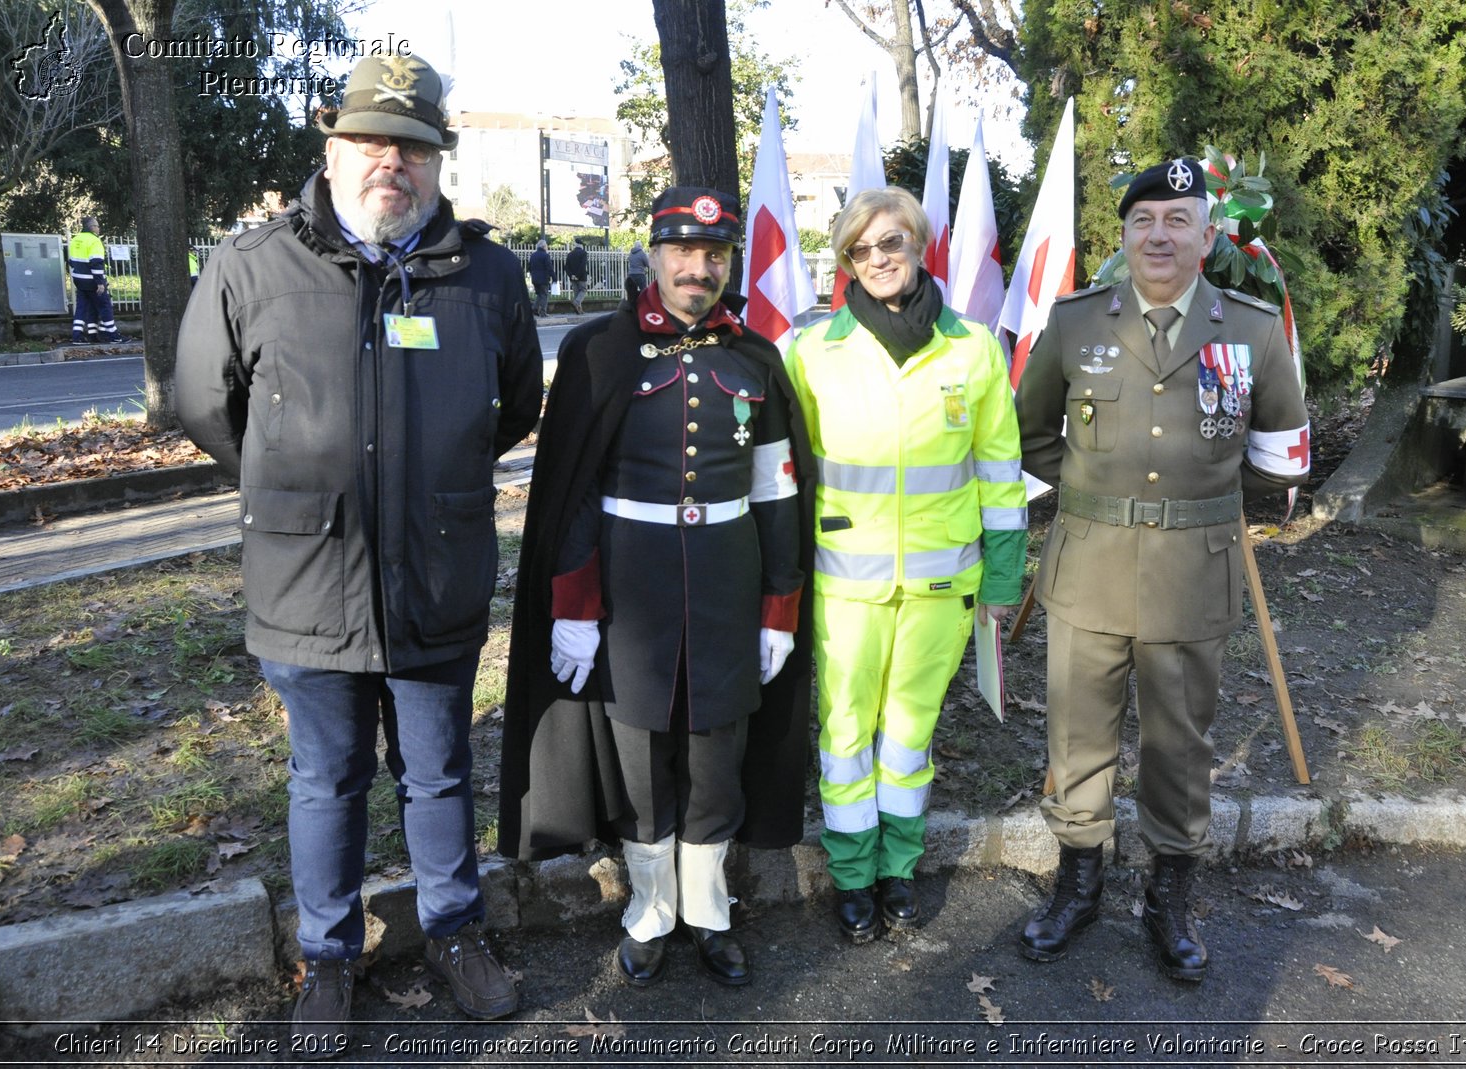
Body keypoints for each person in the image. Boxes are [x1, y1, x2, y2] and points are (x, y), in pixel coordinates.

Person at [175, 52, 543, 1056]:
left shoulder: (487, 273)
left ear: (437, 162)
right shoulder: (252, 266)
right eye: (373, 141)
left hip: (435, 568)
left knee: (435, 772)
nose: (394, 161)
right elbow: (208, 404)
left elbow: (516, 404)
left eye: (415, 146)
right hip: (308, 580)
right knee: (324, 776)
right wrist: (295, 478)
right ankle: (329, 957)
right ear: (331, 149)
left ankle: (455, 934)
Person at [497, 186, 814, 989]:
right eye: (682, 251)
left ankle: (707, 910)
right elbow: (570, 494)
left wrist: (780, 606)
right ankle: (649, 908)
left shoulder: (756, 359)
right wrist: (573, 608)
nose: (697, 268)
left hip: (727, 586)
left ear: (728, 261)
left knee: (716, 755)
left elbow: (778, 490)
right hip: (630, 589)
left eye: (714, 255)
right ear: (652, 252)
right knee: (640, 754)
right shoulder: (598, 351)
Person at [1012, 157, 1311, 982]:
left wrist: (1205, 500)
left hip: (1192, 568)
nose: (1160, 234)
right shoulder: (1076, 324)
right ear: (1124, 235)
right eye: (1144, 220)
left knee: (1180, 743)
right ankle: (1079, 884)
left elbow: (1283, 453)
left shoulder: (1249, 329)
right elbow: (1031, 430)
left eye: (1179, 219)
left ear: (1208, 235)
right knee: (1077, 733)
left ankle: (1169, 897)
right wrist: (1085, 490)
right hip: (1090, 563)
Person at [785, 187, 1026, 943]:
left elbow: (1000, 473)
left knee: (908, 734)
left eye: (891, 242)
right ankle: (853, 873)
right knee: (848, 732)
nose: (878, 258)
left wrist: (1004, 576)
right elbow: (786, 475)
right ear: (846, 261)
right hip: (843, 585)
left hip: (941, 587)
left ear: (919, 245)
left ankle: (900, 867)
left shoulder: (975, 350)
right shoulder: (811, 352)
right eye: (861, 248)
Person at [67, 216, 122, 344]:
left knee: (82, 308)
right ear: (92, 227)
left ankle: (78, 336)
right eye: (97, 226)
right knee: (105, 305)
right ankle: (113, 335)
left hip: (79, 280)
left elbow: (71, 261)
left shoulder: (75, 240)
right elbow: (96, 263)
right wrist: (100, 282)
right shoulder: (94, 241)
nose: (99, 228)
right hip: (92, 281)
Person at [529, 238, 553, 316]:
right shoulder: (546, 255)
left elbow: (530, 267)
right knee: (544, 295)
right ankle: (543, 312)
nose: (547, 247)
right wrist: (554, 277)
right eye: (546, 246)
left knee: (539, 294)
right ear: (543, 246)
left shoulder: (533, 255)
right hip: (543, 279)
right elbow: (549, 267)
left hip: (535, 279)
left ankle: (534, 309)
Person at [565, 238, 589, 314]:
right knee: (583, 290)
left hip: (572, 278)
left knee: (576, 293)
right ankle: (576, 303)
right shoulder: (583, 253)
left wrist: (571, 275)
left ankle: (579, 310)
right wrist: (577, 275)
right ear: (581, 245)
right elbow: (582, 266)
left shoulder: (570, 254)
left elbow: (566, 267)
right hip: (581, 277)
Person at [624, 240, 648, 304]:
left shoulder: (631, 253)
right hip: (640, 275)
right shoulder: (642, 253)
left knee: (631, 292)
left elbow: (630, 261)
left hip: (631, 275)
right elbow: (647, 263)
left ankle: (631, 305)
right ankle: (643, 305)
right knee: (643, 291)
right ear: (640, 246)